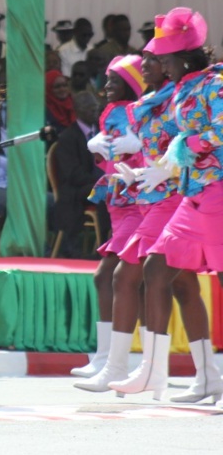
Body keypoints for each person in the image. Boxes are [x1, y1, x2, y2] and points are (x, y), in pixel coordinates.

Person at [111, 7, 223, 403]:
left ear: (185, 58)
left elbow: (218, 131)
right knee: (157, 269)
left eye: (164, 58)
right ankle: (156, 372)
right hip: (195, 193)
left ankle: (206, 376)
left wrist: (183, 148)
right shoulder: (188, 87)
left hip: (217, 192)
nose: (158, 64)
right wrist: (161, 166)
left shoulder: (214, 84)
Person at [72, 55, 145, 381]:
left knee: (108, 276)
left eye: (115, 81)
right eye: (107, 80)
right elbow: (109, 156)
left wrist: (129, 145)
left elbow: (142, 148)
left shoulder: (136, 111)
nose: (107, 86)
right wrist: (98, 147)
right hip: (118, 203)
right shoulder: (111, 112)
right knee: (115, 280)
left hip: (136, 202)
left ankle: (112, 359)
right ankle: (108, 358)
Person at [53, 90, 107, 259]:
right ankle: (104, 244)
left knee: (118, 188)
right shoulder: (67, 137)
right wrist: (100, 180)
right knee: (105, 190)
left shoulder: (101, 133)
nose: (94, 111)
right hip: (76, 189)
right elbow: (73, 174)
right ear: (78, 110)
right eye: (90, 107)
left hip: (96, 182)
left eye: (95, 107)